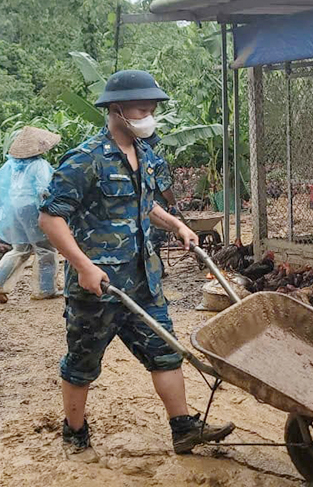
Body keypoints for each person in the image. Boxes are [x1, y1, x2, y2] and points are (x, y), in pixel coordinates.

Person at [38, 70, 234, 459]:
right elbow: (50, 217)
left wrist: (177, 225)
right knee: (82, 363)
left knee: (165, 351)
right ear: (116, 109)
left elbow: (146, 204)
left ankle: (184, 429)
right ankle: (74, 434)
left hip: (145, 279)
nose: (150, 115)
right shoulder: (86, 160)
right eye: (142, 108)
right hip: (99, 286)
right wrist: (83, 265)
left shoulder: (146, 154)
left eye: (152, 109)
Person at [0, 126, 62, 303]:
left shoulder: (11, 164)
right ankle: (45, 289)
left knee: (20, 248)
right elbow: (44, 191)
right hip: (31, 208)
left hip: (14, 209)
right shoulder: (39, 165)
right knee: (46, 248)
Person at [144, 132, 180, 276]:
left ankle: (156, 269)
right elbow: (164, 188)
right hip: (156, 209)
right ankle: (156, 271)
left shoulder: (134, 161)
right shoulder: (158, 163)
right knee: (154, 242)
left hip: (139, 208)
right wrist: (173, 204)